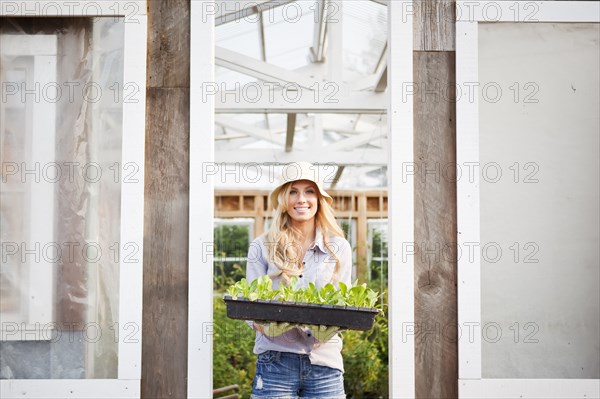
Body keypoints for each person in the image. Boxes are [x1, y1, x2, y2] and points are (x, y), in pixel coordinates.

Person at [246, 161, 352, 399]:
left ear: (319, 199)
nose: (301, 199)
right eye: (292, 191)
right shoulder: (261, 247)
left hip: (325, 361)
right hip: (275, 361)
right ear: (283, 199)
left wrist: (330, 327)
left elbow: (344, 303)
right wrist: (266, 327)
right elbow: (248, 307)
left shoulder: (338, 248)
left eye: (309, 191)